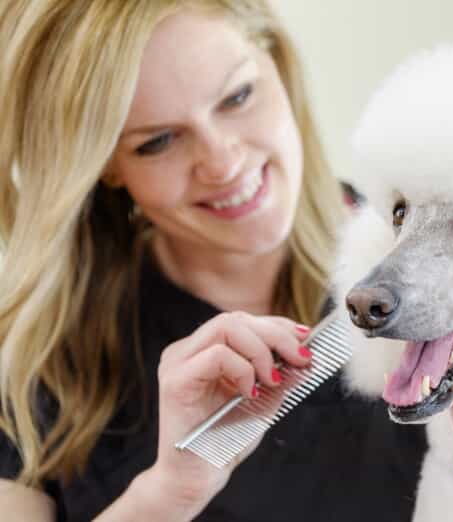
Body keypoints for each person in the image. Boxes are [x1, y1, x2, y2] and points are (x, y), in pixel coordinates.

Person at [0, 1, 426, 520]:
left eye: (237, 97)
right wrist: (169, 493)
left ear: (279, 66)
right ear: (105, 165)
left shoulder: (448, 266)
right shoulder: (30, 373)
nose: (223, 163)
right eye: (157, 141)